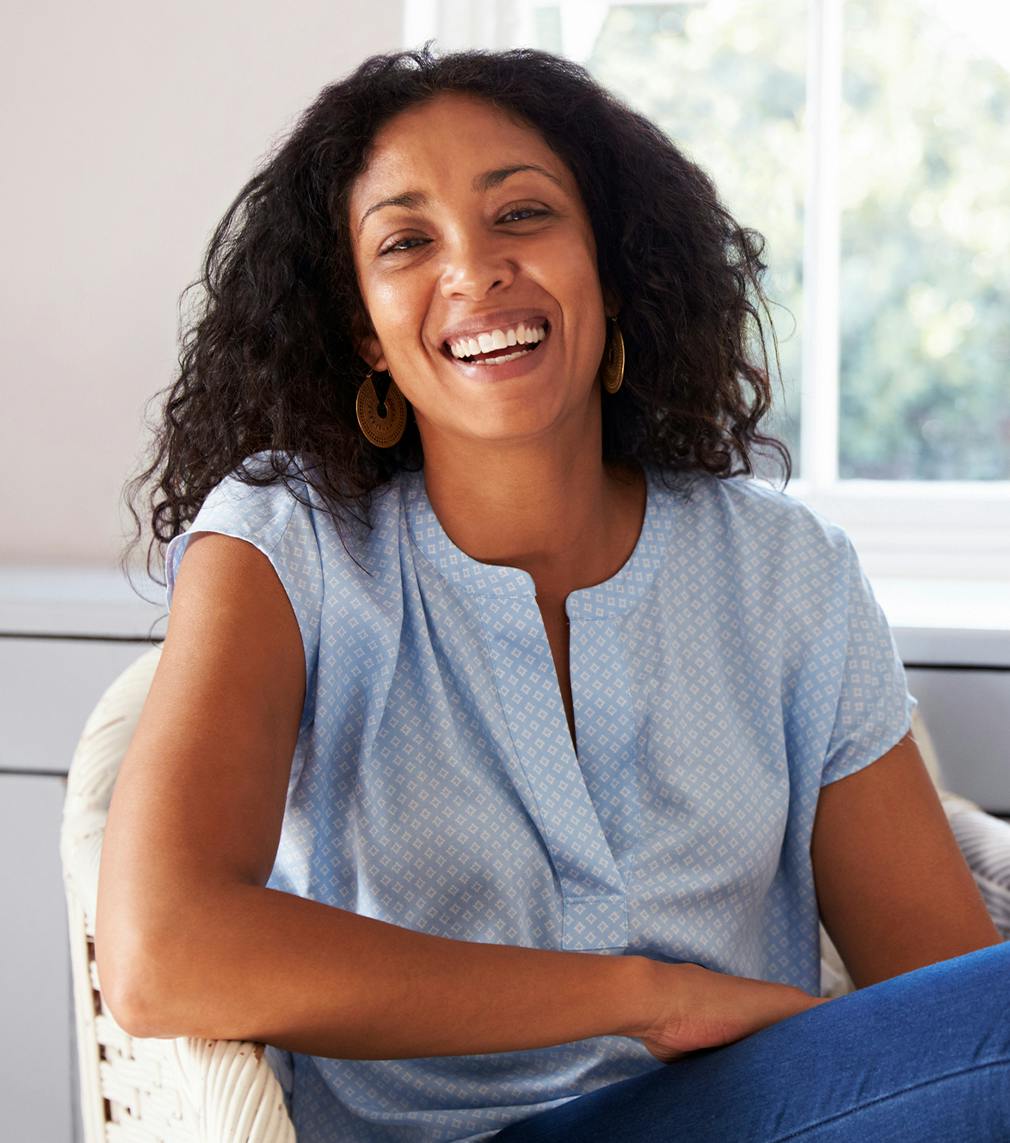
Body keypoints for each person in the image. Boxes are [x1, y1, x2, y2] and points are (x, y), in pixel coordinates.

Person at [98, 43, 1007, 1143]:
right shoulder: (288, 544)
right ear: (363, 329)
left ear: (611, 270)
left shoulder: (784, 571)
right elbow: (160, 952)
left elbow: (948, 1003)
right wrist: (645, 996)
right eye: (405, 241)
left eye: (521, 215)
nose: (474, 270)